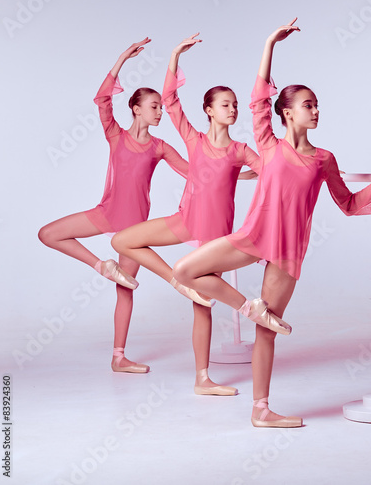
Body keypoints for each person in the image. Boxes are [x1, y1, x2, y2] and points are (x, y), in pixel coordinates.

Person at [172, 19, 371, 427]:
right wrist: (269, 43)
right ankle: (251, 308)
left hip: (287, 251)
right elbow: (257, 99)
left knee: (267, 334)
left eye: (317, 104)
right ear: (287, 112)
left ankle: (261, 411)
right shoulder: (268, 143)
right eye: (308, 104)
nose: (316, 110)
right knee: (185, 270)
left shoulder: (324, 159)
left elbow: (348, 203)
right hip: (252, 235)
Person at [111, 34, 261, 395]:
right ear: (209, 109)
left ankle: (202, 379)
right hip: (184, 219)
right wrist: (176, 54)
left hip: (216, 234)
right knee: (122, 240)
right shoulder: (194, 140)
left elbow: (272, 171)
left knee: (203, 304)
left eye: (236, 105)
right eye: (226, 104)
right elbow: (171, 100)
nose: (233, 109)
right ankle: (174, 279)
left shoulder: (241, 150)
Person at [38, 37, 190, 374]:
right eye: (154, 106)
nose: (160, 111)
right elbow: (102, 99)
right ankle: (100, 265)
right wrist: (122, 59)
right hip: (106, 213)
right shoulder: (116, 135)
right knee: (48, 233)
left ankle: (118, 357)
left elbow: (193, 172)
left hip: (135, 228)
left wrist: (238, 172)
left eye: (161, 107)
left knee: (125, 289)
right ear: (136, 108)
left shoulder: (160, 147)